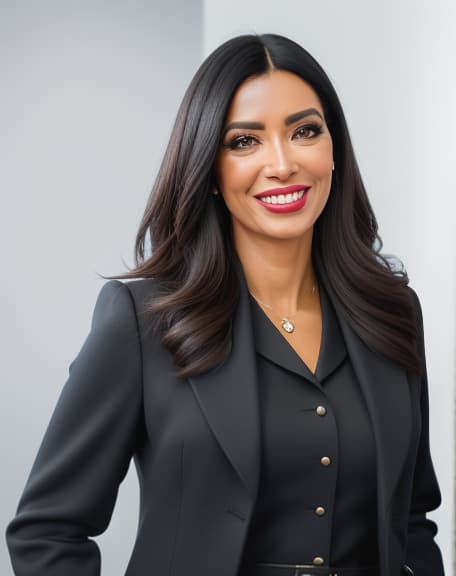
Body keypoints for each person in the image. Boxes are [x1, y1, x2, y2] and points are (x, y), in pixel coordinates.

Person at [6, 33, 444, 576]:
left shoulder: (392, 311)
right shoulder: (141, 321)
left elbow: (411, 521)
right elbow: (47, 531)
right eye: (244, 142)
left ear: (335, 150)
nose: (282, 164)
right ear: (208, 167)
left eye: (305, 131)